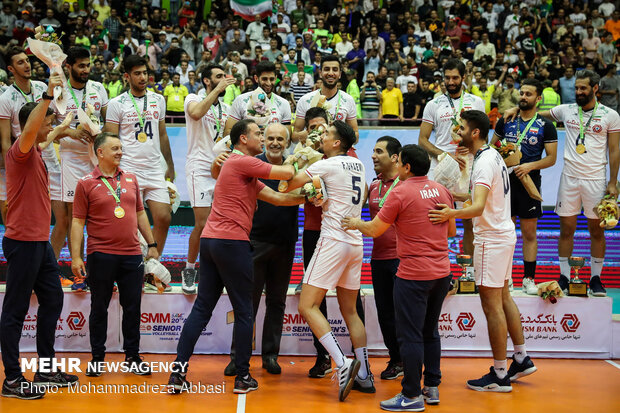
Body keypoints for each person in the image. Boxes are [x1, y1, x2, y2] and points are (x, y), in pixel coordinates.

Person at [167, 119, 305, 395]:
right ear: (243, 139)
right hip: (232, 243)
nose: (262, 139)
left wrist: (310, 197)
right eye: (257, 134)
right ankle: (242, 376)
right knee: (245, 310)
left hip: (211, 241)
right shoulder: (241, 161)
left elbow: (280, 199)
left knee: (202, 309)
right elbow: (287, 173)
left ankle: (177, 375)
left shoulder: (241, 172)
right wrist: (307, 159)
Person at [429, 110, 537, 392]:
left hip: (491, 238)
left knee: (492, 306)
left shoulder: (484, 162)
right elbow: (479, 198)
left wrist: (448, 213)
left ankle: (500, 374)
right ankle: (522, 357)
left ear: (474, 133)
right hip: (502, 234)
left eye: (461, 127)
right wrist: (450, 194)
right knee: (503, 297)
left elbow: (476, 208)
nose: (457, 131)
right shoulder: (491, 156)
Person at [343, 144, 455, 410]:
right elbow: (450, 230)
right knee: (430, 331)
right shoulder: (441, 190)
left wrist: (354, 223)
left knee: (411, 335)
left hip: (413, 275)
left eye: (400, 160)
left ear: (406, 167)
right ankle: (432, 387)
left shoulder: (400, 191)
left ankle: (411, 395)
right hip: (441, 272)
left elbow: (374, 230)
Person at [1, 75, 79, 399]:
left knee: (53, 298)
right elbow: (34, 131)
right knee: (15, 310)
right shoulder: (20, 150)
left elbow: (47, 138)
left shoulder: (36, 151)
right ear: (32, 125)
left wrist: (65, 124)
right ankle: (12, 380)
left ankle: (45, 368)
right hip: (23, 242)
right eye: (47, 121)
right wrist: (47, 94)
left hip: (40, 243)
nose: (50, 127)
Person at [284, 120, 372, 401]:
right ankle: (365, 375)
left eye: (326, 134)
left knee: (307, 305)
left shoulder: (327, 164)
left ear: (337, 143)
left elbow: (289, 184)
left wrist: (300, 155)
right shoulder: (358, 165)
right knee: (350, 311)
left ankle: (342, 362)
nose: (321, 137)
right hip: (355, 243)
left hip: (332, 241)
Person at [70, 132, 158, 376]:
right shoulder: (85, 182)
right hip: (101, 255)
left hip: (132, 255)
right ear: (100, 152)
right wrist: (76, 257)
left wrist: (151, 243)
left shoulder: (130, 178)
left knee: (133, 308)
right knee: (99, 307)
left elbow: (140, 213)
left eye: (121, 148)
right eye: (115, 148)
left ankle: (133, 357)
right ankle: (97, 358)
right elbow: (77, 222)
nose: (120, 152)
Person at [223, 123, 299, 376]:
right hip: (254, 242)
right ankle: (238, 356)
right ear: (263, 140)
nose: (275, 142)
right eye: (270, 138)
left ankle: (270, 355)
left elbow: (288, 197)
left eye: (280, 138)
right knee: (248, 303)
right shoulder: (253, 163)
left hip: (285, 243)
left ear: (287, 143)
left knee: (277, 302)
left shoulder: (296, 166)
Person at [0, 46, 65, 274]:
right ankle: (21, 259)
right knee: (15, 214)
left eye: (27, 60)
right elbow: (10, 138)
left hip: (44, 153)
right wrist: (12, 170)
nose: (26, 65)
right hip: (22, 157)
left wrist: (66, 129)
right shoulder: (6, 98)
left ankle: (48, 264)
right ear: (10, 69)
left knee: (60, 216)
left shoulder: (39, 86)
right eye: (20, 62)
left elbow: (51, 124)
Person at [418, 59, 485, 279]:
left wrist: (470, 149)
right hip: (441, 167)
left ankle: (469, 273)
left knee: (468, 220)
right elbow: (423, 140)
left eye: (455, 77)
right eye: (447, 78)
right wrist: (443, 155)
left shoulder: (476, 102)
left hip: (468, 165)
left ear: (463, 78)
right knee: (437, 219)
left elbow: (483, 136)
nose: (450, 82)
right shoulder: (434, 104)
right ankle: (437, 271)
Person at [50, 46, 109, 291]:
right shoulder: (58, 91)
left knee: (97, 219)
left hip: (96, 159)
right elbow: (49, 130)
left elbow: (109, 123)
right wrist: (72, 131)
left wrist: (99, 133)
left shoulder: (99, 89)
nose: (86, 70)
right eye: (81, 66)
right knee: (73, 220)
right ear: (69, 67)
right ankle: (68, 272)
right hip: (71, 160)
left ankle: (95, 272)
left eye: (88, 65)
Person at [104, 55, 175, 256]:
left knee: (164, 217)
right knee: (128, 220)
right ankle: (133, 262)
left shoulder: (158, 99)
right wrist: (111, 169)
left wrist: (170, 164)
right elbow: (110, 138)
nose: (143, 77)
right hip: (128, 168)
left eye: (145, 73)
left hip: (154, 168)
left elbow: (162, 134)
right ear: (127, 76)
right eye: (137, 74)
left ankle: (153, 265)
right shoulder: (116, 103)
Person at [491, 79, 558, 294]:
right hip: (505, 184)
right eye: (522, 93)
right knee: (506, 233)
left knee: (529, 234)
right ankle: (506, 277)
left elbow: (551, 159)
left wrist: (530, 166)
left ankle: (528, 278)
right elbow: (493, 148)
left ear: (538, 99)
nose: (523, 97)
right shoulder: (507, 120)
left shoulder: (546, 126)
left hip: (529, 183)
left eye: (529, 94)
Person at [181, 65, 235, 294]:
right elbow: (196, 113)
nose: (223, 80)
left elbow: (229, 138)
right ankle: (189, 268)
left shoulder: (227, 108)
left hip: (221, 168)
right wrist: (219, 89)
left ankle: (219, 270)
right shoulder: (193, 98)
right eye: (218, 77)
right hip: (199, 168)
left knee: (224, 222)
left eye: (225, 76)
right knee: (202, 223)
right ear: (206, 81)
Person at [365, 136, 404, 380]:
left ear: (394, 158)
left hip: (402, 259)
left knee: (404, 314)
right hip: (378, 258)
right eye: (373, 150)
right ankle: (396, 359)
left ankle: (411, 360)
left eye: (379, 151)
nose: (373, 156)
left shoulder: (405, 184)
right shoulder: (373, 185)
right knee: (385, 313)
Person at [293, 55, 360, 144]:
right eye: (327, 69)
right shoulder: (305, 100)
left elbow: (355, 137)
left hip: (338, 155)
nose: (331, 73)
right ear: (320, 73)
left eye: (335, 70)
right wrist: (312, 132)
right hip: (313, 155)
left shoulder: (348, 100)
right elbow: (294, 137)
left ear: (340, 74)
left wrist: (338, 133)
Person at [223, 61, 292, 136]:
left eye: (271, 79)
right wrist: (248, 133)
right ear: (256, 78)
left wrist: (271, 133)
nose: (268, 83)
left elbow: (287, 140)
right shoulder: (241, 100)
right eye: (264, 79)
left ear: (275, 78)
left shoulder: (284, 103)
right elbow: (227, 132)